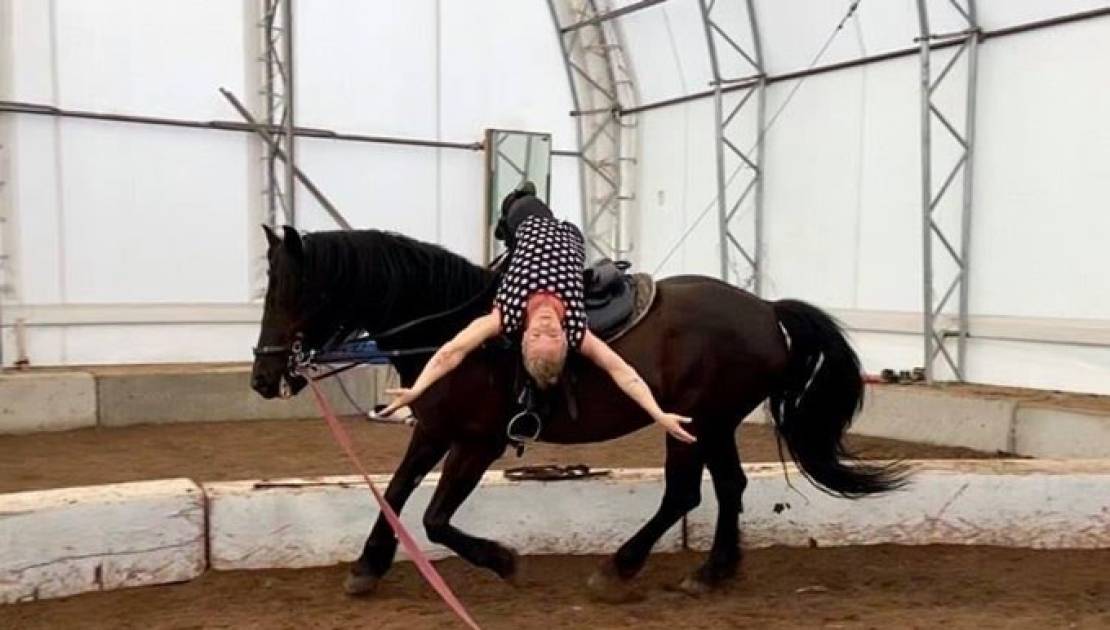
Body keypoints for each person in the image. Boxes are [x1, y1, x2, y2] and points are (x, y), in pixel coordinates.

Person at [379, 185, 695, 444]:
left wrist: (418, 389)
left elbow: (452, 351)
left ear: (524, 336)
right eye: (552, 334)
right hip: (570, 236)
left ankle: (514, 209)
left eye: (539, 335)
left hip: (530, 227)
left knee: (520, 202)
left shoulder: (505, 316)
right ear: (565, 339)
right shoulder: (575, 327)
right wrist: (658, 413)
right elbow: (625, 373)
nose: (545, 325)